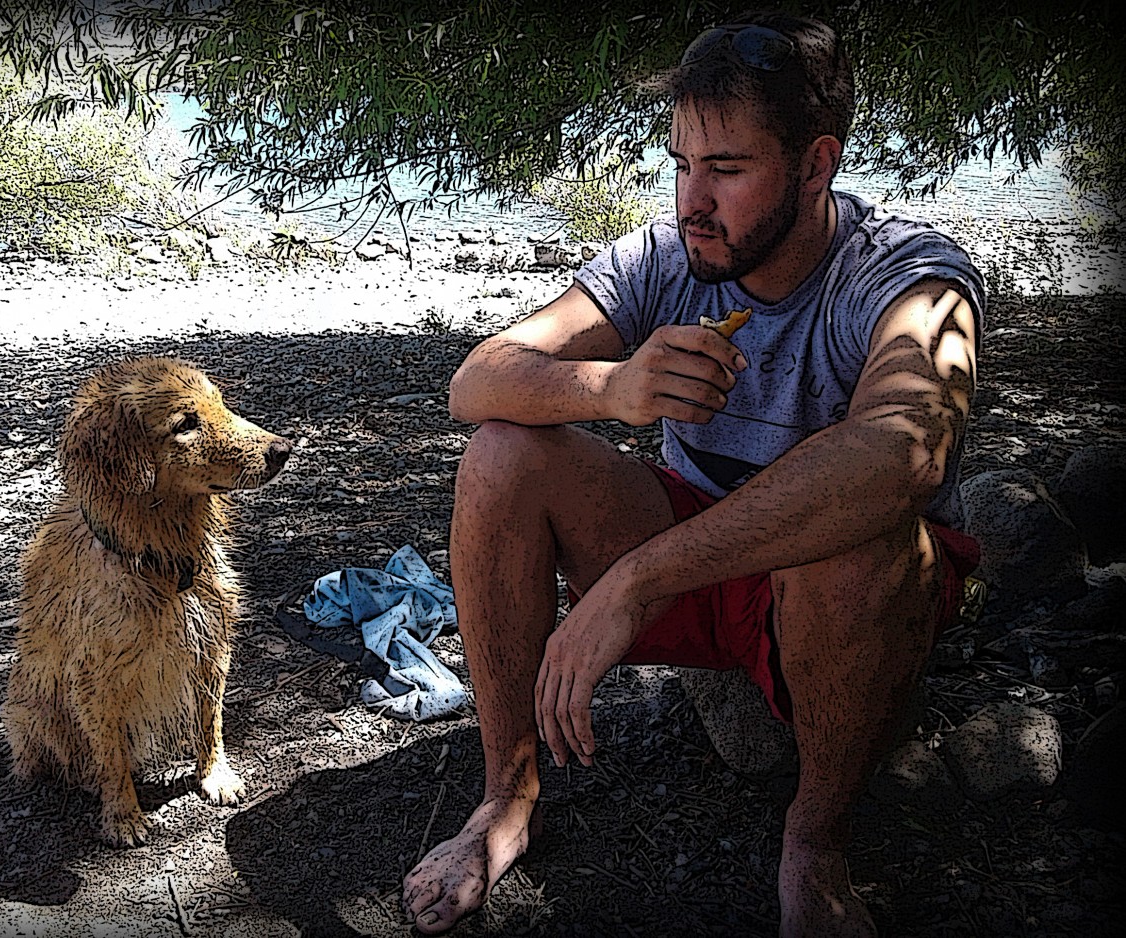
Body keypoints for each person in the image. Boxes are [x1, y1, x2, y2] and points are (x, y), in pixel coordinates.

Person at [402, 11, 985, 936]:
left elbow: (906, 450)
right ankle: (507, 796)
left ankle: (815, 843)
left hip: (830, 593)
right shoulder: (669, 259)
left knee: (860, 532)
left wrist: (639, 578)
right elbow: (476, 381)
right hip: (695, 547)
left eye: (726, 169)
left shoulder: (907, 275)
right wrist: (615, 384)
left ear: (816, 164)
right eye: (679, 166)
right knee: (503, 452)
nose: (691, 201)